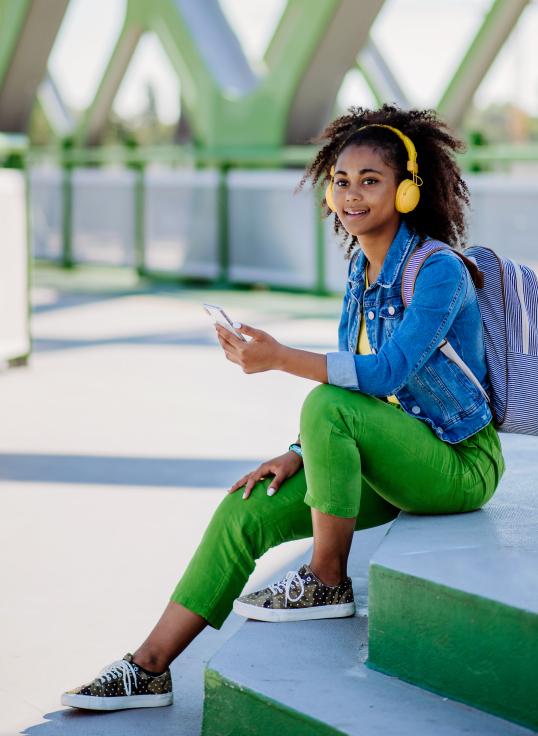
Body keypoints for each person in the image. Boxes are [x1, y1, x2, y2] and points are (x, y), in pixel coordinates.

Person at [61, 106, 504, 712]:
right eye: (342, 180)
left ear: (406, 191)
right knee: (246, 506)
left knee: (324, 401)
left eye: (370, 180)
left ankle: (325, 578)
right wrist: (298, 454)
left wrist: (277, 357)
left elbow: (386, 373)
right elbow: (357, 389)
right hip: (395, 457)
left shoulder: (439, 271)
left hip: (459, 465)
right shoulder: (360, 270)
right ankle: (150, 667)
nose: (351, 194)